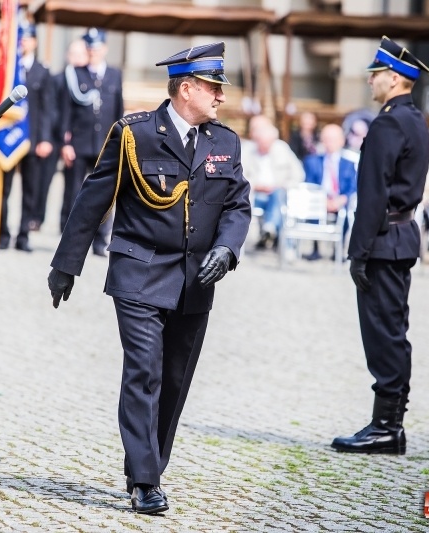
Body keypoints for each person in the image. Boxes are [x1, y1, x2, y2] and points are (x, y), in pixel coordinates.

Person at [47, 41, 250, 514]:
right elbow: (93, 199)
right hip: (138, 271)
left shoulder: (225, 142)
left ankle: (147, 463)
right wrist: (65, 265)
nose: (220, 96)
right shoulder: (135, 133)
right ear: (186, 88)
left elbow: (238, 206)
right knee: (144, 372)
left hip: (195, 279)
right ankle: (145, 480)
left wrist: (227, 247)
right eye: (213, 87)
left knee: (175, 379)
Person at [331, 37, 429, 455]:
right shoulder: (414, 119)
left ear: (394, 79)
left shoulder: (390, 123)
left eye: (375, 75)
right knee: (392, 332)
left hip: (383, 241)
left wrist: (358, 251)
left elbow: (372, 195)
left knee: (383, 336)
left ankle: (387, 428)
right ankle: (388, 423)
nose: (370, 81)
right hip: (398, 237)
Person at [59, 28, 124, 256]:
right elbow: (66, 110)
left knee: (105, 195)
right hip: (79, 142)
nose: (93, 52)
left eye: (97, 48)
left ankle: (99, 241)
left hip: (105, 144)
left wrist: (119, 141)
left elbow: (118, 111)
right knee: (74, 194)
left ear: (104, 48)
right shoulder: (76, 74)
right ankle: (71, 243)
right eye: (89, 48)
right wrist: (65, 142)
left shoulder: (115, 75)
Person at [0, 21, 53, 251]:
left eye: (28, 38)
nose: (24, 42)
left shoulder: (42, 70)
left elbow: (48, 109)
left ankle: (23, 235)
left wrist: (45, 138)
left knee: (30, 191)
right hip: (8, 138)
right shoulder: (8, 69)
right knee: (3, 190)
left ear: (35, 42)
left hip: (32, 138)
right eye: (20, 37)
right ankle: (2, 234)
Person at [35, 38, 88, 232]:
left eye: (81, 55)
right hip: (55, 136)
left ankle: (65, 222)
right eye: (74, 54)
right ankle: (37, 216)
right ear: (67, 56)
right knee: (44, 179)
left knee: (72, 184)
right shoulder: (57, 78)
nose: (77, 59)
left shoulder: (87, 80)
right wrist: (47, 137)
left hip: (74, 139)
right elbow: (48, 109)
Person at [241, 114, 304, 249]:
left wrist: (282, 185)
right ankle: (277, 238)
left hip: (278, 193)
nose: (264, 145)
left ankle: (269, 228)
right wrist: (255, 185)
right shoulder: (247, 150)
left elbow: (298, 174)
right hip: (255, 195)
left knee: (278, 196)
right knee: (277, 204)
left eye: (267, 142)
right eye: (260, 142)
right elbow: (240, 175)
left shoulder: (282, 148)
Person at [301, 123, 358, 260]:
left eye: (333, 139)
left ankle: (337, 250)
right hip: (320, 200)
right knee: (313, 205)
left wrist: (342, 199)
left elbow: (353, 186)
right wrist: (323, 200)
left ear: (342, 141)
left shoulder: (349, 164)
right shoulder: (312, 161)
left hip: (341, 201)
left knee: (345, 212)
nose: (330, 143)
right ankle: (315, 248)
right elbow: (309, 183)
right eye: (327, 139)